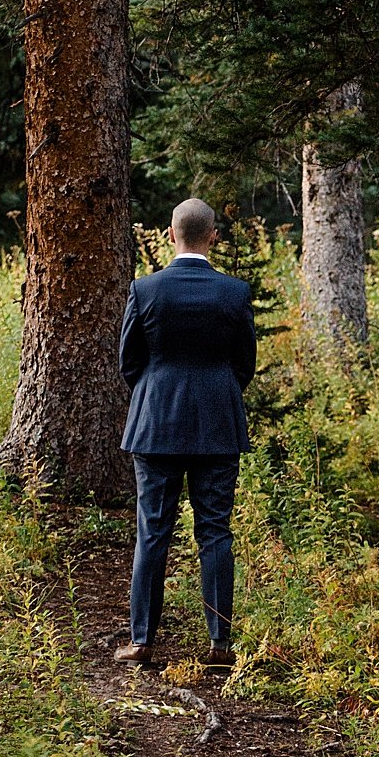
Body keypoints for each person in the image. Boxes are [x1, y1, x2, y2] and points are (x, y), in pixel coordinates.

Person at [115, 197, 257, 672]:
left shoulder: (146, 289)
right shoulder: (234, 293)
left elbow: (128, 362)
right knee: (215, 531)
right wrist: (216, 392)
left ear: (170, 234)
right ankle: (219, 645)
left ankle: (141, 642)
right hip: (218, 425)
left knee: (152, 531)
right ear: (213, 236)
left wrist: (158, 392)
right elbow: (245, 365)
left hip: (156, 426)